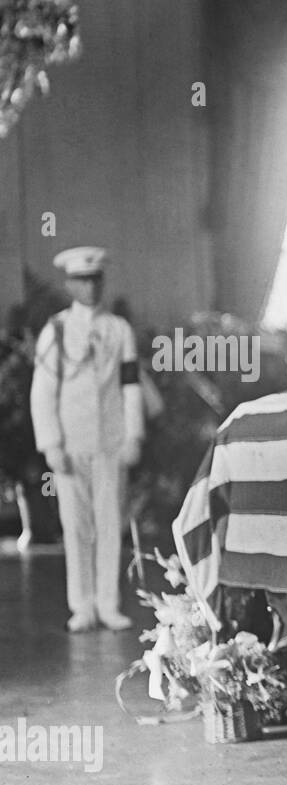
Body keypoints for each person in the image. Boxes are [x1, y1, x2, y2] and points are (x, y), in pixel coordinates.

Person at [30, 247, 145, 632]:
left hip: (111, 441)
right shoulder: (56, 330)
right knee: (76, 526)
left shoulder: (119, 330)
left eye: (96, 280)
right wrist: (51, 444)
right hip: (71, 441)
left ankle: (108, 604)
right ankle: (82, 606)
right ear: (69, 284)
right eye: (82, 280)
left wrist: (133, 435)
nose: (90, 288)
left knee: (110, 522)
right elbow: (42, 392)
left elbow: (130, 387)